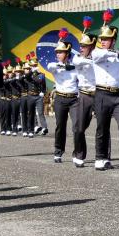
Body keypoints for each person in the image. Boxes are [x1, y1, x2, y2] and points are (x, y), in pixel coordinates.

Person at [91, 12, 119, 170]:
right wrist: (115, 52)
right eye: (102, 39)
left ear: (114, 40)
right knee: (102, 127)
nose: (103, 42)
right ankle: (101, 157)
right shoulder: (97, 53)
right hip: (102, 94)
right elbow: (99, 56)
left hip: (118, 95)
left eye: (106, 39)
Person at [47, 29, 78, 163]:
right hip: (60, 98)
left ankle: (78, 153)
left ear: (67, 53)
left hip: (74, 99)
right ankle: (58, 151)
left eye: (60, 52)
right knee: (60, 126)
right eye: (57, 52)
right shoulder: (54, 65)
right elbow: (50, 66)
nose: (58, 54)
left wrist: (72, 66)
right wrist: (64, 66)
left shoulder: (76, 65)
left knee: (77, 126)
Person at [71, 18, 98, 167]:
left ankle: (103, 157)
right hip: (85, 95)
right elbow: (79, 62)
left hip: (99, 94)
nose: (81, 48)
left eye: (85, 46)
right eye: (80, 45)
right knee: (79, 127)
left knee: (103, 127)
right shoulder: (77, 58)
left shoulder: (99, 56)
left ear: (92, 46)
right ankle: (79, 153)